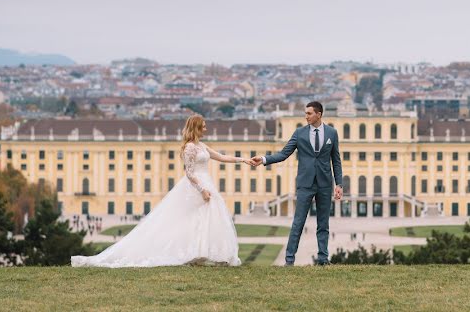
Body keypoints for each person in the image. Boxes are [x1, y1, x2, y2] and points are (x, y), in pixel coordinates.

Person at [71, 114, 247, 267]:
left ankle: (205, 254)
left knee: (205, 220)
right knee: (190, 222)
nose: (206, 129)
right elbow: (189, 173)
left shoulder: (202, 146)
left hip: (207, 184)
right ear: (196, 127)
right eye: (203, 126)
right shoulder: (189, 148)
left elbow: (222, 157)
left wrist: (244, 160)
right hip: (197, 187)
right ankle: (195, 254)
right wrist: (202, 190)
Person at [250, 101, 342, 265]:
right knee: (298, 223)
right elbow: (284, 153)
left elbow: (336, 160)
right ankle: (289, 260)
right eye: (305, 113)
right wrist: (264, 159)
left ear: (319, 114)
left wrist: (339, 184)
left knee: (323, 224)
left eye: (309, 113)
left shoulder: (332, 133)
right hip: (305, 184)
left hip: (325, 184)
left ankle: (323, 259)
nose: (305, 116)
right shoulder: (299, 133)